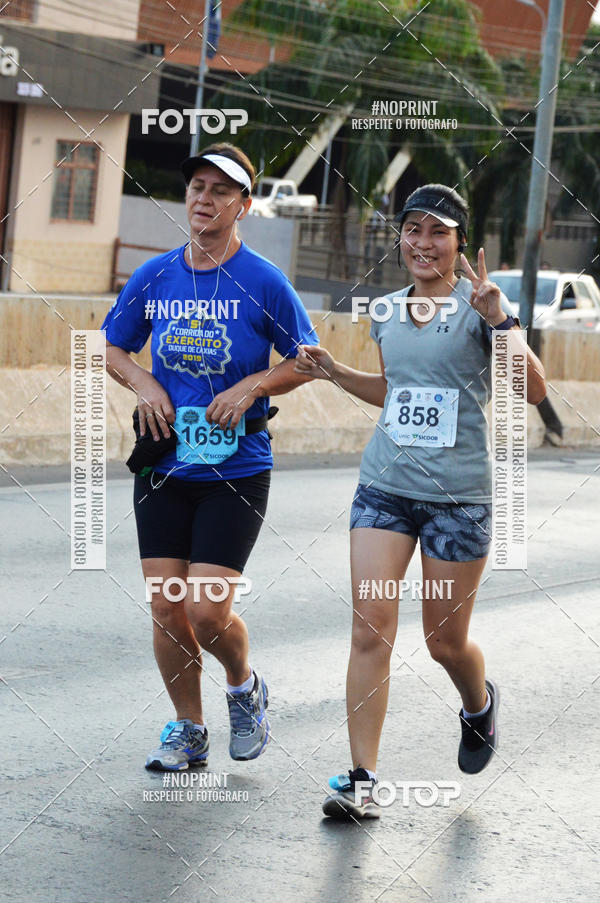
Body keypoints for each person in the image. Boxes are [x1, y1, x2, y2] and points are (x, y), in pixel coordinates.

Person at [294, 183, 547, 818]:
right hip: (385, 489)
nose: (423, 243)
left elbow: (533, 390)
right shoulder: (383, 310)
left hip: (458, 500)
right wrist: (333, 371)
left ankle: (478, 704)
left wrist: (503, 321)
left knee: (443, 641)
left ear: (461, 242)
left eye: (438, 231)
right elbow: (394, 390)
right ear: (400, 237)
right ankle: (361, 780)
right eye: (413, 230)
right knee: (369, 627)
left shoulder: (482, 305)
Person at [102, 143, 317, 771]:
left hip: (237, 466)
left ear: (243, 205)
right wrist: (145, 383)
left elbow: (307, 359)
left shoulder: (264, 282)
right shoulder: (157, 274)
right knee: (169, 605)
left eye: (221, 191)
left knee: (205, 608)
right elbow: (111, 347)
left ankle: (244, 687)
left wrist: (251, 386)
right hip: (166, 462)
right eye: (197, 186)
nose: (205, 198)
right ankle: (187, 729)